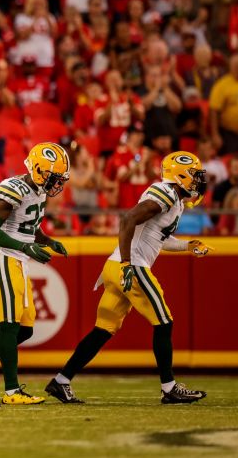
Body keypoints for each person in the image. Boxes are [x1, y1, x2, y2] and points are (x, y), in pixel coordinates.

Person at [47, 152, 211, 404]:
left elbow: (159, 238)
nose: (199, 181)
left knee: (102, 330)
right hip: (130, 266)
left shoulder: (174, 200)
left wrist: (188, 246)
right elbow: (128, 219)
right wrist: (127, 264)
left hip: (116, 266)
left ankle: (61, 381)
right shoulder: (166, 193)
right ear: (180, 175)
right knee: (164, 322)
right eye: (195, 175)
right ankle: (169, 388)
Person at [0, 143, 71, 405]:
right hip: (3, 257)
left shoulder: (38, 191)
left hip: (18, 260)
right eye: (54, 178)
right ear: (39, 171)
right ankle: (11, 391)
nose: (56, 184)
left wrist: (47, 240)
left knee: (25, 330)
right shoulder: (13, 189)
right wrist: (25, 246)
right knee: (9, 325)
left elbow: (28, 227)